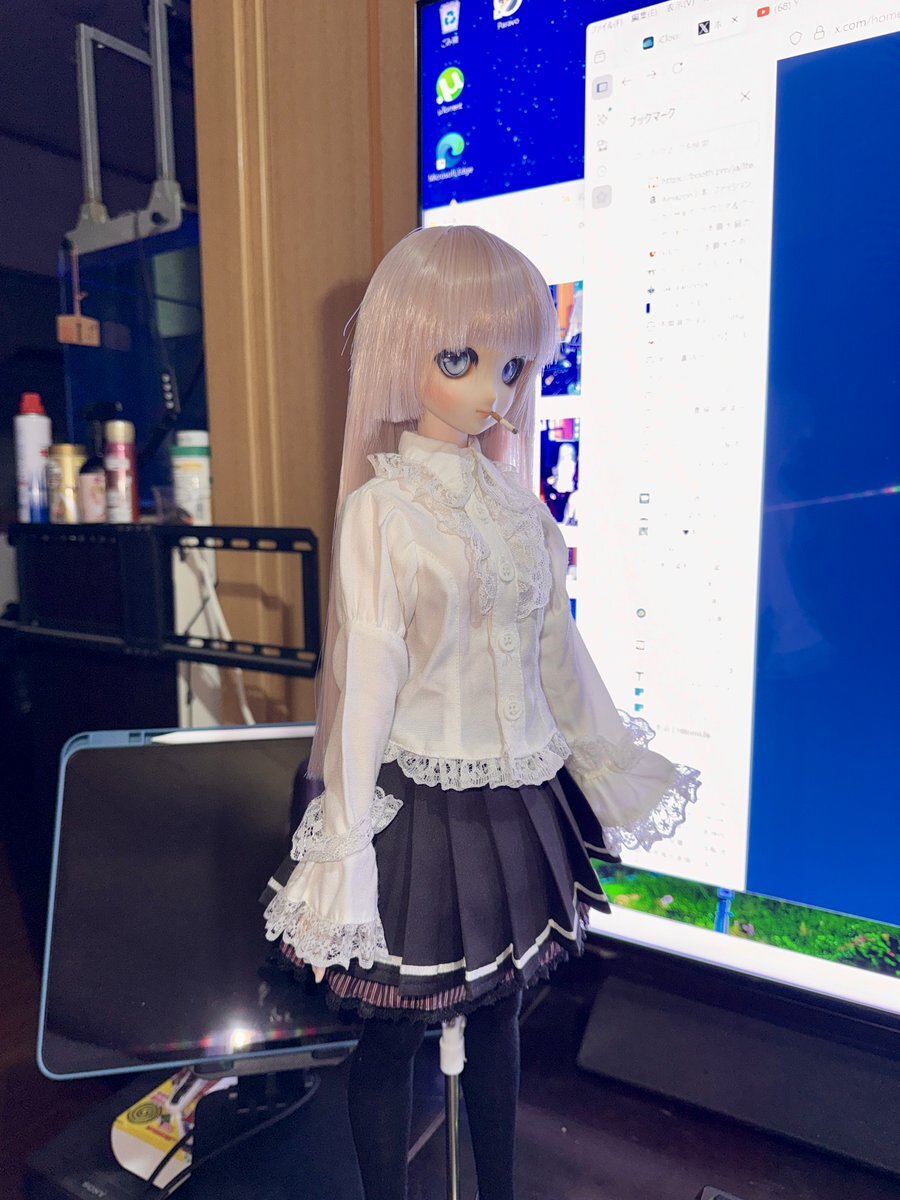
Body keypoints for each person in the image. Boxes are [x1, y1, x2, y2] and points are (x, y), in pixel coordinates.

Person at [261, 225, 701, 1200]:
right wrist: (345, 837)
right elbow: (367, 678)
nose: (494, 389)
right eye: (461, 358)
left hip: (514, 800)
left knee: (502, 1011)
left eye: (511, 365)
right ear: (404, 352)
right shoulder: (383, 510)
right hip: (416, 804)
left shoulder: (521, 510)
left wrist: (606, 760)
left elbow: (557, 656)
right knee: (394, 1029)